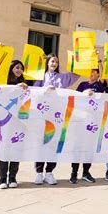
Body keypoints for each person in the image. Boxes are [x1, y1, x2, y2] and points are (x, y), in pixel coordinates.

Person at [33, 54, 80, 185]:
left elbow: (77, 73)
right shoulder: (40, 76)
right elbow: (34, 91)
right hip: (43, 115)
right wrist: (45, 90)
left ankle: (49, 172)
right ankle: (38, 172)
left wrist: (89, 57)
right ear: (47, 62)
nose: (54, 63)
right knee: (42, 143)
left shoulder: (62, 77)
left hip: (57, 116)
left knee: (54, 144)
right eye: (52, 61)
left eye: (57, 62)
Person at [70, 67, 105, 184]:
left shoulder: (100, 85)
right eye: (91, 71)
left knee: (89, 147)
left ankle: (86, 172)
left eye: (95, 72)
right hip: (80, 120)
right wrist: (85, 94)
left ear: (98, 74)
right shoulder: (82, 84)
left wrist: (100, 61)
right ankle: (74, 173)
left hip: (93, 122)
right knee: (77, 147)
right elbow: (76, 97)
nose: (92, 74)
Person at [0, 60, 28, 189]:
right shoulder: (3, 82)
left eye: (21, 68)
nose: (19, 70)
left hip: (19, 121)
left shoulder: (26, 85)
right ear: (10, 68)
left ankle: (13, 177)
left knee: (17, 148)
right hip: (5, 121)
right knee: (5, 148)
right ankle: (2, 178)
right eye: (17, 67)